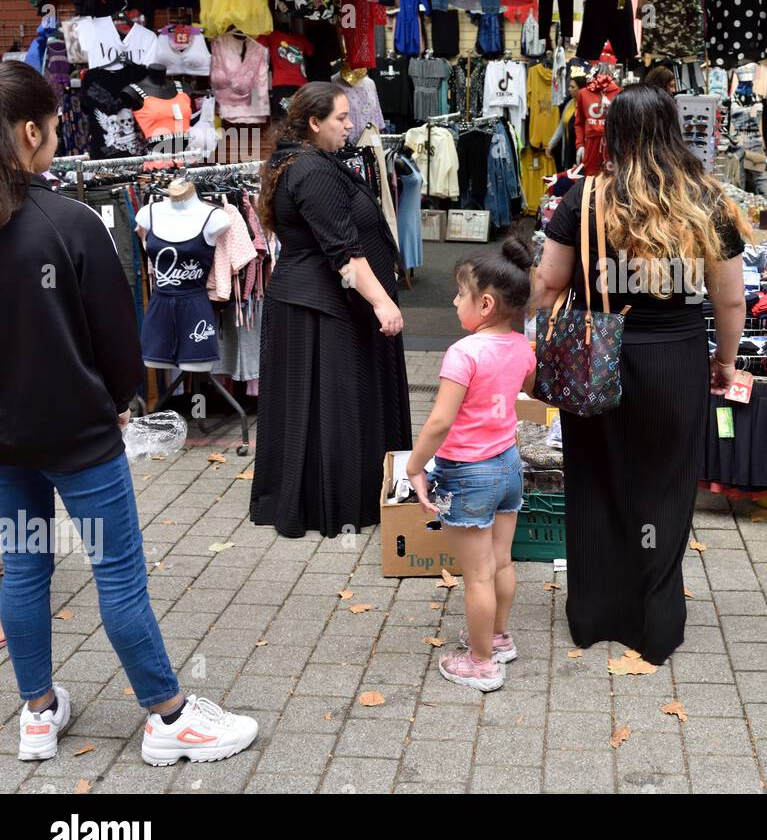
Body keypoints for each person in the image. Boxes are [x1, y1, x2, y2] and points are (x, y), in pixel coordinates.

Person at [0, 60, 258, 764]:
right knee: (117, 570)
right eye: (54, 126)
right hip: (79, 435)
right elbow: (118, 336)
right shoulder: (71, 222)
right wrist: (119, 402)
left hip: (7, 442)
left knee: (22, 565)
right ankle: (169, 715)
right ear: (30, 132)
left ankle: (37, 710)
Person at [532, 83, 749, 664]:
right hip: (675, 357)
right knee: (666, 485)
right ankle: (654, 619)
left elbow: (549, 284)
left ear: (616, 133)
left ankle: (595, 613)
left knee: (598, 477)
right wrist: (724, 363)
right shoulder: (706, 198)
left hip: (598, 357)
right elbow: (729, 301)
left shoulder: (586, 196)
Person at [250, 82, 411, 538]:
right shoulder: (313, 172)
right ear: (315, 123)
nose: (350, 125)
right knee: (332, 407)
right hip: (319, 308)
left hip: (321, 302)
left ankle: (345, 495)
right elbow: (344, 251)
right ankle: (331, 504)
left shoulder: (308, 162)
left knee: (332, 406)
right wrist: (383, 303)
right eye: (341, 118)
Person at [405, 239, 537, 692]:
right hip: (508, 466)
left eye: (460, 294)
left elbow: (440, 420)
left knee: (476, 574)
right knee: (502, 561)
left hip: (468, 472)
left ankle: (482, 663)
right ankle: (498, 638)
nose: (454, 301)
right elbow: (524, 388)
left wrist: (415, 466)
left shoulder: (463, 354)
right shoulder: (521, 346)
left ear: (484, 303)